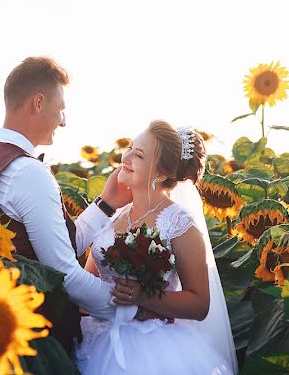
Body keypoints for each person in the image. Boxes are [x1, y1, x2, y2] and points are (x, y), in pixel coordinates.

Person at [0, 56, 133, 355]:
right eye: (61, 109)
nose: (64, 121)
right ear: (38, 103)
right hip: (34, 340)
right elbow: (64, 274)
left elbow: (57, 246)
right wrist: (134, 311)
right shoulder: (27, 172)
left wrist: (106, 204)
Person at [75, 120, 238, 375]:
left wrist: (143, 298)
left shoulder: (179, 223)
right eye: (129, 147)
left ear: (161, 173)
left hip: (152, 346)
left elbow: (199, 303)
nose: (125, 157)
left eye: (138, 154)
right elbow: (89, 279)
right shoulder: (113, 215)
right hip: (97, 336)